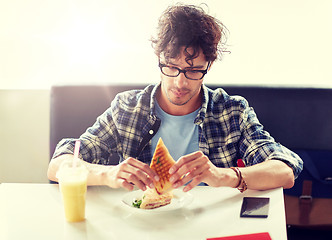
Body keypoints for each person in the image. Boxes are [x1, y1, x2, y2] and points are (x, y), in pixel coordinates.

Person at [48, 4, 303, 193]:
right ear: (158, 59)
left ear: (208, 66)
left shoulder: (232, 111)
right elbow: (59, 164)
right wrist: (107, 174)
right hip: (144, 224)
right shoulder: (127, 108)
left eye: (193, 71)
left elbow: (284, 169)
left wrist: (224, 176)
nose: (180, 82)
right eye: (171, 67)